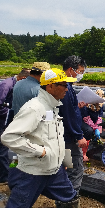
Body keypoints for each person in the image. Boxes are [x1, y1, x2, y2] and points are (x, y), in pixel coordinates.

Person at [1, 68, 80, 208]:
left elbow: (53, 137)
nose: (67, 89)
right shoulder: (35, 108)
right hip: (32, 171)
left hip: (53, 170)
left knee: (70, 199)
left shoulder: (52, 107)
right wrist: (40, 151)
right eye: (63, 85)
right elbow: (9, 137)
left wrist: (62, 159)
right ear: (50, 86)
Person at [59, 55, 87, 195]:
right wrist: (78, 135)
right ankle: (70, 198)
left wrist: (77, 106)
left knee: (67, 166)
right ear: (71, 70)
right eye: (80, 71)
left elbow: (70, 109)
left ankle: (63, 198)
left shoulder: (65, 86)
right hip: (69, 138)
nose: (81, 74)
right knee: (75, 169)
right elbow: (68, 114)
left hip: (63, 135)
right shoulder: (66, 88)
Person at [0, 68, 30, 184]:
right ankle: (4, 177)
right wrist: (11, 113)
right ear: (22, 79)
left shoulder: (17, 87)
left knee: (13, 149)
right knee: (3, 149)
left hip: (13, 122)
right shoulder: (6, 86)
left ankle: (12, 172)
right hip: (3, 123)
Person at [80, 89, 105, 162]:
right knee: (89, 130)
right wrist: (94, 128)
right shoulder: (87, 105)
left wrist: (98, 127)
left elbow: (100, 117)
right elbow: (86, 118)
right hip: (83, 120)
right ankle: (83, 154)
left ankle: (94, 141)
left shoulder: (101, 105)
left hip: (93, 120)